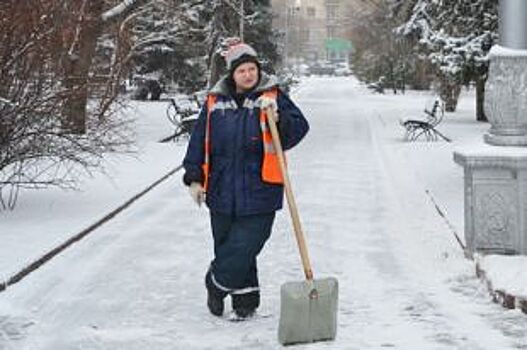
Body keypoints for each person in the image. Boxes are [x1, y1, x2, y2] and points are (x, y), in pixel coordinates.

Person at [182, 42, 309, 319]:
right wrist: (194, 177)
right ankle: (245, 300)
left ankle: (215, 283)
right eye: (242, 70)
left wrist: (277, 116)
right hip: (221, 186)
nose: (249, 75)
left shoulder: (272, 95)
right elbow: (199, 140)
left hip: (262, 187)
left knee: (247, 242)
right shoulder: (215, 101)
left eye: (253, 69)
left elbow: (300, 128)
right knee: (228, 243)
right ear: (232, 74)